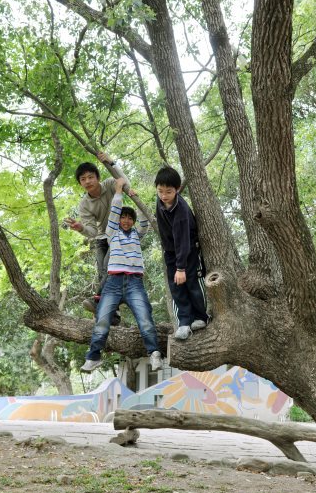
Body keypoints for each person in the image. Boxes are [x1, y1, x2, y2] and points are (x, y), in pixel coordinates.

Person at [81, 177, 163, 373]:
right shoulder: (112, 233)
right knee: (102, 319)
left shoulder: (137, 234)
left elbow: (145, 221)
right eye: (122, 218)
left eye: (129, 218)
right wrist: (118, 193)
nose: (125, 221)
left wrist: (136, 199)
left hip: (134, 282)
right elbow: (114, 213)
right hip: (114, 282)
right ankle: (93, 357)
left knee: (145, 318)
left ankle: (155, 354)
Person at [65, 153, 131, 322]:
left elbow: (125, 184)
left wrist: (112, 162)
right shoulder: (84, 204)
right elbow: (92, 232)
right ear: (80, 183)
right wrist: (80, 228)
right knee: (104, 274)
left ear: (98, 178)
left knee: (111, 269)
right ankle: (113, 314)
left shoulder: (109, 184)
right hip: (102, 238)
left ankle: (97, 301)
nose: (87, 181)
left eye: (90, 177)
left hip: (118, 233)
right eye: (83, 179)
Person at [155, 167, 209, 340]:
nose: (164, 195)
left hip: (188, 250)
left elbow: (183, 241)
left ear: (177, 190)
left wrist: (181, 267)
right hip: (171, 252)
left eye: (168, 192)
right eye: (160, 191)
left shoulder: (181, 211)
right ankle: (184, 322)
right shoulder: (160, 201)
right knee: (176, 288)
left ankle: (201, 317)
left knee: (192, 282)